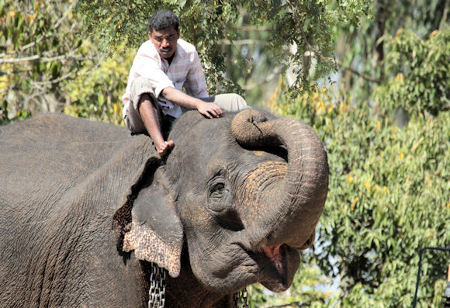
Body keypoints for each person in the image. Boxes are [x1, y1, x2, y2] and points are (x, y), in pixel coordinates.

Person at [122, 10, 248, 157]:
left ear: (178, 34)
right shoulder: (145, 53)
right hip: (142, 115)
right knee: (140, 84)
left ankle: (254, 137)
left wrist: (205, 108)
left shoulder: (189, 52)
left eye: (170, 37)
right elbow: (167, 91)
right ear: (150, 36)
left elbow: (199, 95)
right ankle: (160, 144)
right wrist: (199, 104)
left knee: (235, 100)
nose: (165, 44)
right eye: (158, 39)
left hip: (174, 113)